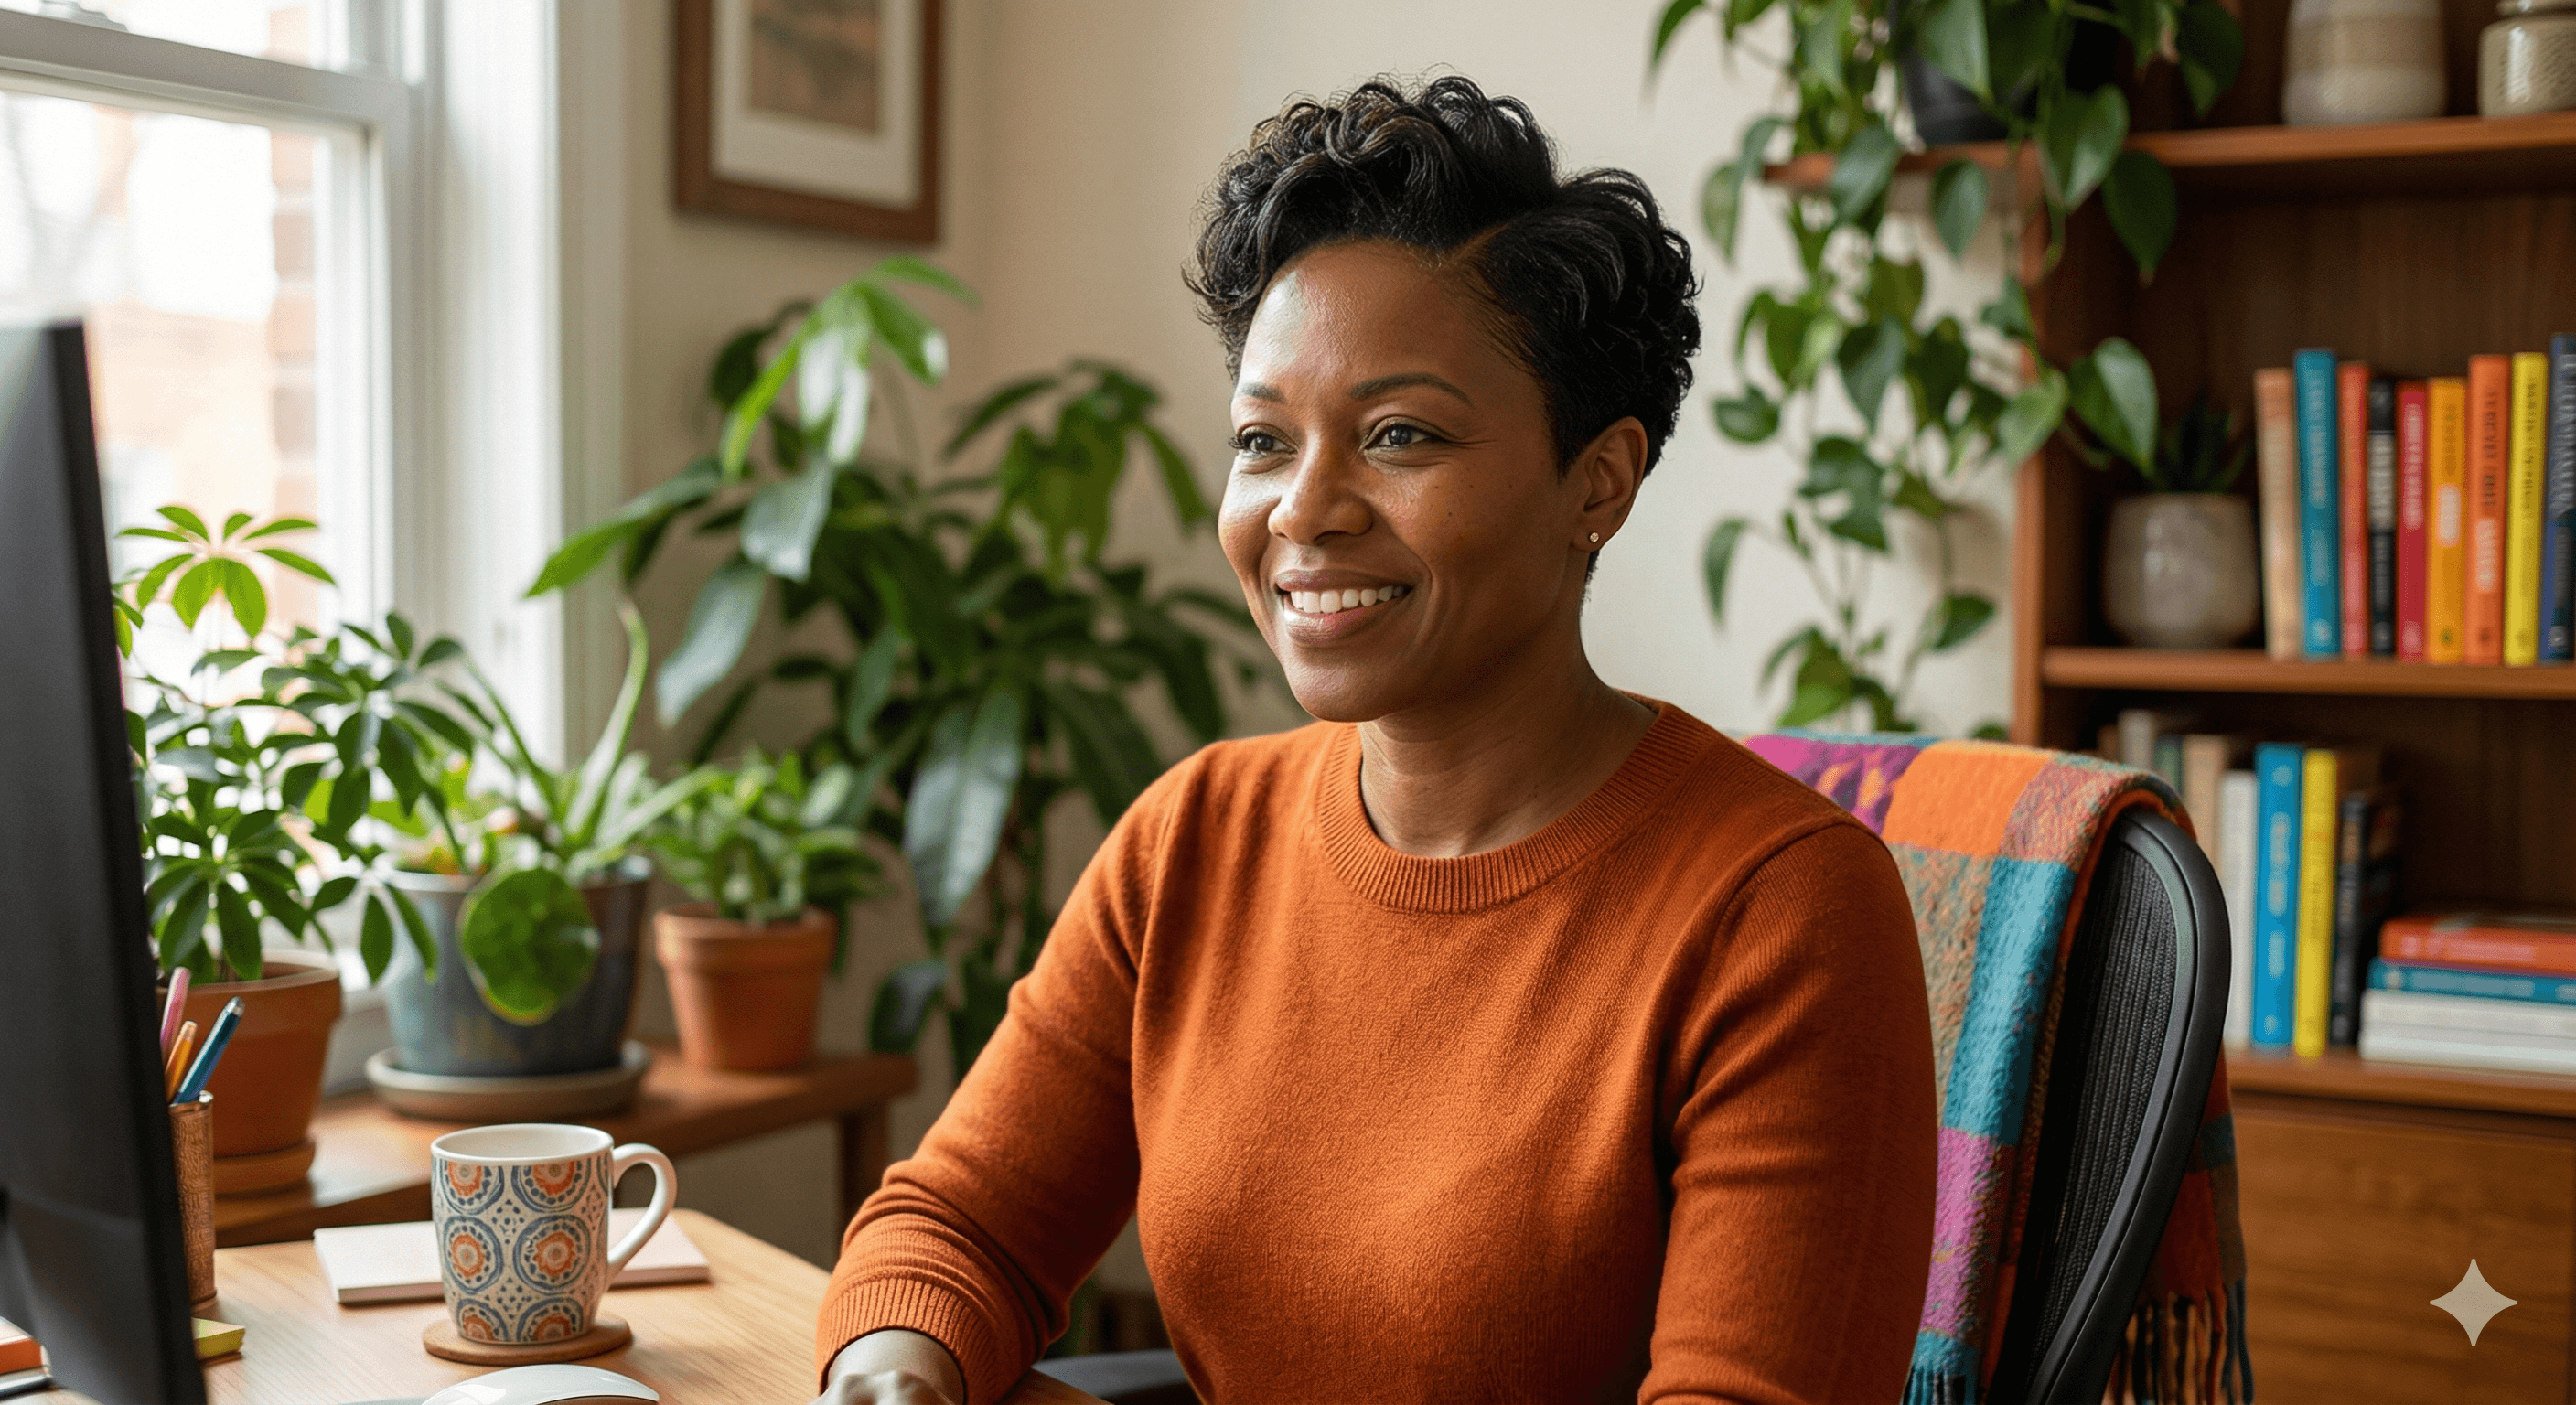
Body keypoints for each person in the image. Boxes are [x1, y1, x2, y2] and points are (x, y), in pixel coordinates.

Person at [812, 76, 1935, 1405]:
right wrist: (896, 1376)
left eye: (1400, 435)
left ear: (1600, 481)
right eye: (1262, 441)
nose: (1305, 511)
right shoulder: (1194, 839)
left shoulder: (1782, 911)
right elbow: (957, 1231)